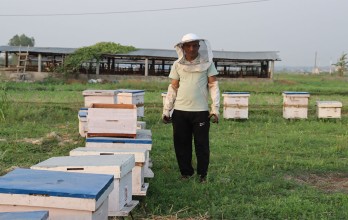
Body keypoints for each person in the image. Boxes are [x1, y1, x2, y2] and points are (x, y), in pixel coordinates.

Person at [162, 33, 220, 183]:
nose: (192, 48)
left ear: (199, 47)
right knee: (181, 144)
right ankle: (186, 173)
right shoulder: (177, 65)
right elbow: (173, 87)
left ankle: (202, 175)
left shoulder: (207, 63)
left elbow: (213, 86)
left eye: (195, 45)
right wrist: (166, 109)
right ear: (183, 47)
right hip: (180, 112)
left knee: (202, 144)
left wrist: (215, 108)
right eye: (188, 45)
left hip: (200, 112)